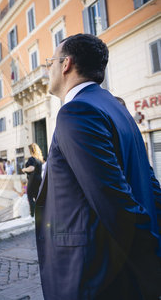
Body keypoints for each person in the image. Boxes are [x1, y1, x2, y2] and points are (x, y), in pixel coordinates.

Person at [37, 33, 161, 299]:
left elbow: (114, 199)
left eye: (50, 62)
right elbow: (149, 181)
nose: (48, 69)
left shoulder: (76, 112)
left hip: (92, 273)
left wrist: (152, 253)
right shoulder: (117, 108)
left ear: (66, 64)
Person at [21, 143, 44, 217]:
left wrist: (24, 169)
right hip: (39, 179)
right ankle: (40, 213)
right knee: (37, 197)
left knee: (30, 197)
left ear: (31, 150)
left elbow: (32, 168)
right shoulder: (39, 159)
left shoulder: (31, 159)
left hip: (32, 179)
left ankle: (32, 215)